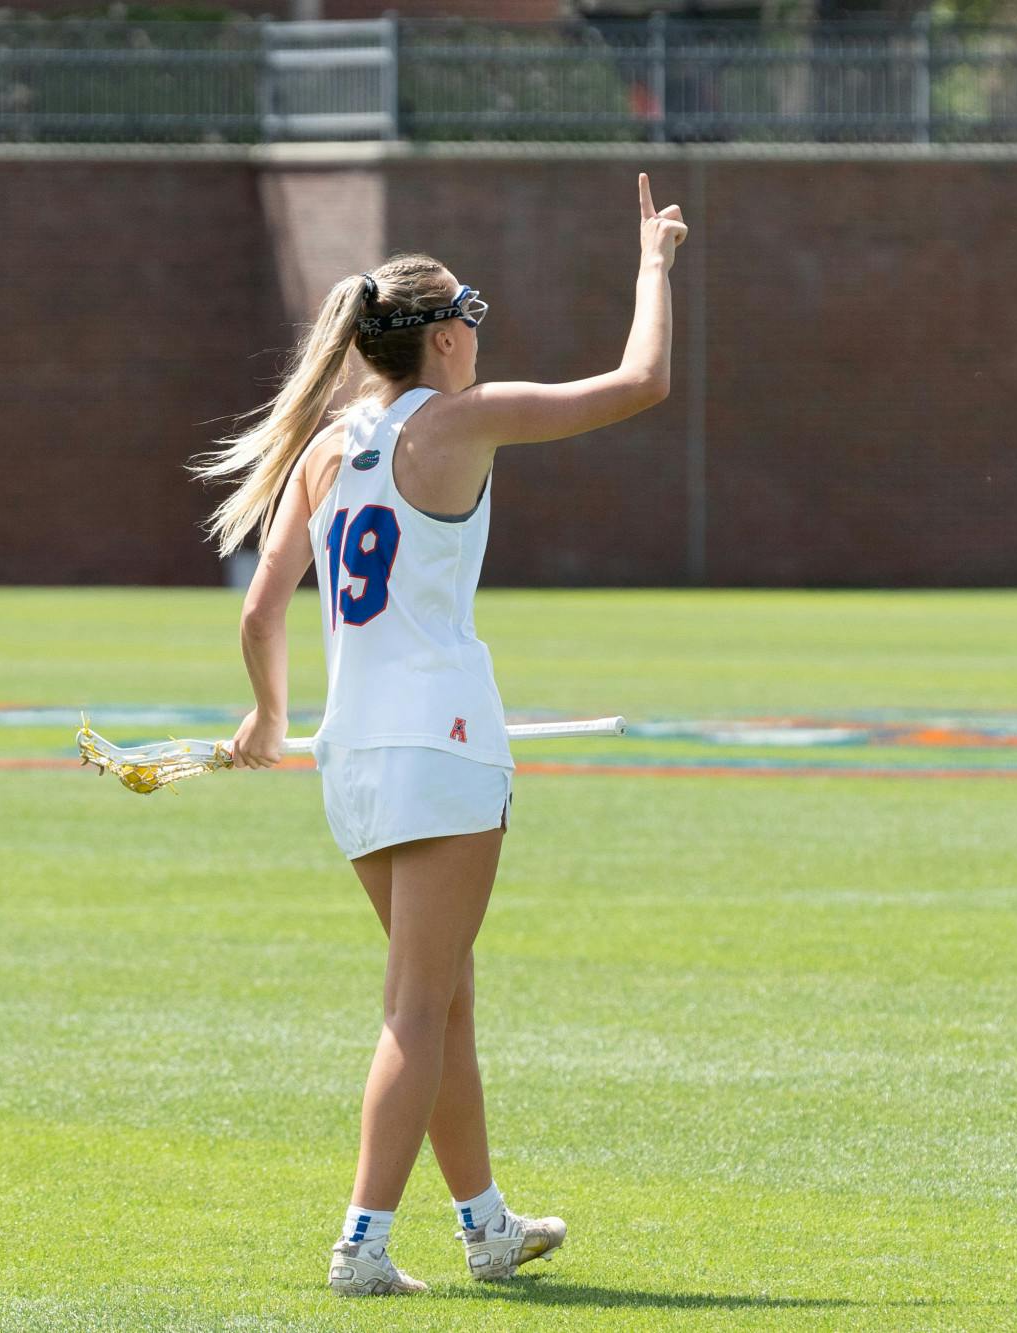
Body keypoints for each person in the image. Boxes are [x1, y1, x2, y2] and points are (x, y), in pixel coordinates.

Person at [192, 176, 687, 1296]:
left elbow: (261, 608)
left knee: (442, 993)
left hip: (354, 759)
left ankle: (485, 1225)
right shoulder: (459, 420)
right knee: (418, 1006)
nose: (477, 336)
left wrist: (267, 721)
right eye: (470, 318)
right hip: (446, 745)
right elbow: (641, 382)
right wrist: (653, 262)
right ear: (442, 337)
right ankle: (361, 1242)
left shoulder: (324, 450)